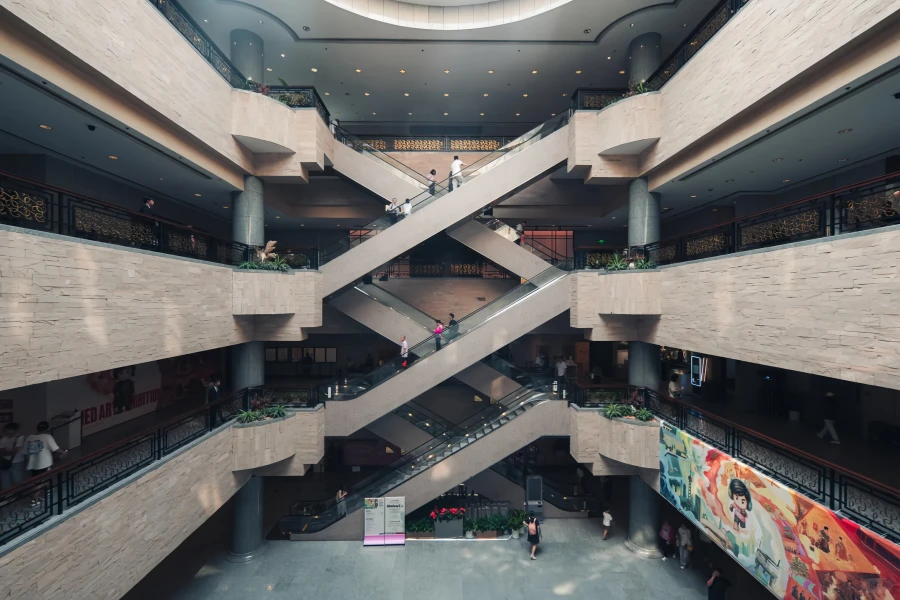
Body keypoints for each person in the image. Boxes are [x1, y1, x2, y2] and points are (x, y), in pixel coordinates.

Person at [0, 422, 26, 490]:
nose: (7, 432)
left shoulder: (20, 437)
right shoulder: (3, 439)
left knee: (18, 480)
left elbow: (15, 451)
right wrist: (8, 452)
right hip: (4, 462)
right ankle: (8, 496)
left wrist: (6, 452)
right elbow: (2, 451)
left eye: (9, 430)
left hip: (17, 462)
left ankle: (19, 494)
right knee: (5, 480)